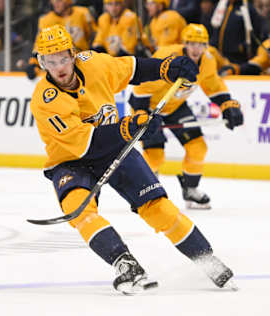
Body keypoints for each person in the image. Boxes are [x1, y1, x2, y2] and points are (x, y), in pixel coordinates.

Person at [30, 24, 237, 294]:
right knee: (80, 209)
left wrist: (167, 68)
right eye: (50, 61)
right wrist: (127, 128)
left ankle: (206, 259)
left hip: (115, 149)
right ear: (41, 62)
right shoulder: (45, 100)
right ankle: (124, 263)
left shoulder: (93, 63)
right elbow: (84, 145)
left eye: (63, 58)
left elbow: (133, 69)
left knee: (158, 207)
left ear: (73, 54)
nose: (59, 67)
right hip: (71, 160)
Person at [128, 24, 244, 210]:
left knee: (198, 147)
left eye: (201, 44)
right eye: (192, 43)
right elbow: (143, 86)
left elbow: (213, 85)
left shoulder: (207, 61)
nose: (197, 48)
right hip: (151, 106)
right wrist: (141, 113)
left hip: (176, 106)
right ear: (185, 43)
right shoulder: (168, 56)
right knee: (155, 156)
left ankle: (190, 189)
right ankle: (144, 190)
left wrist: (227, 104)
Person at [21, 0, 96, 80]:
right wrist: (34, 64)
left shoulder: (83, 14)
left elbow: (95, 38)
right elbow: (39, 48)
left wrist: (94, 58)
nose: (55, 2)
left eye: (59, 0)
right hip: (59, 64)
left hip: (82, 61)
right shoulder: (46, 20)